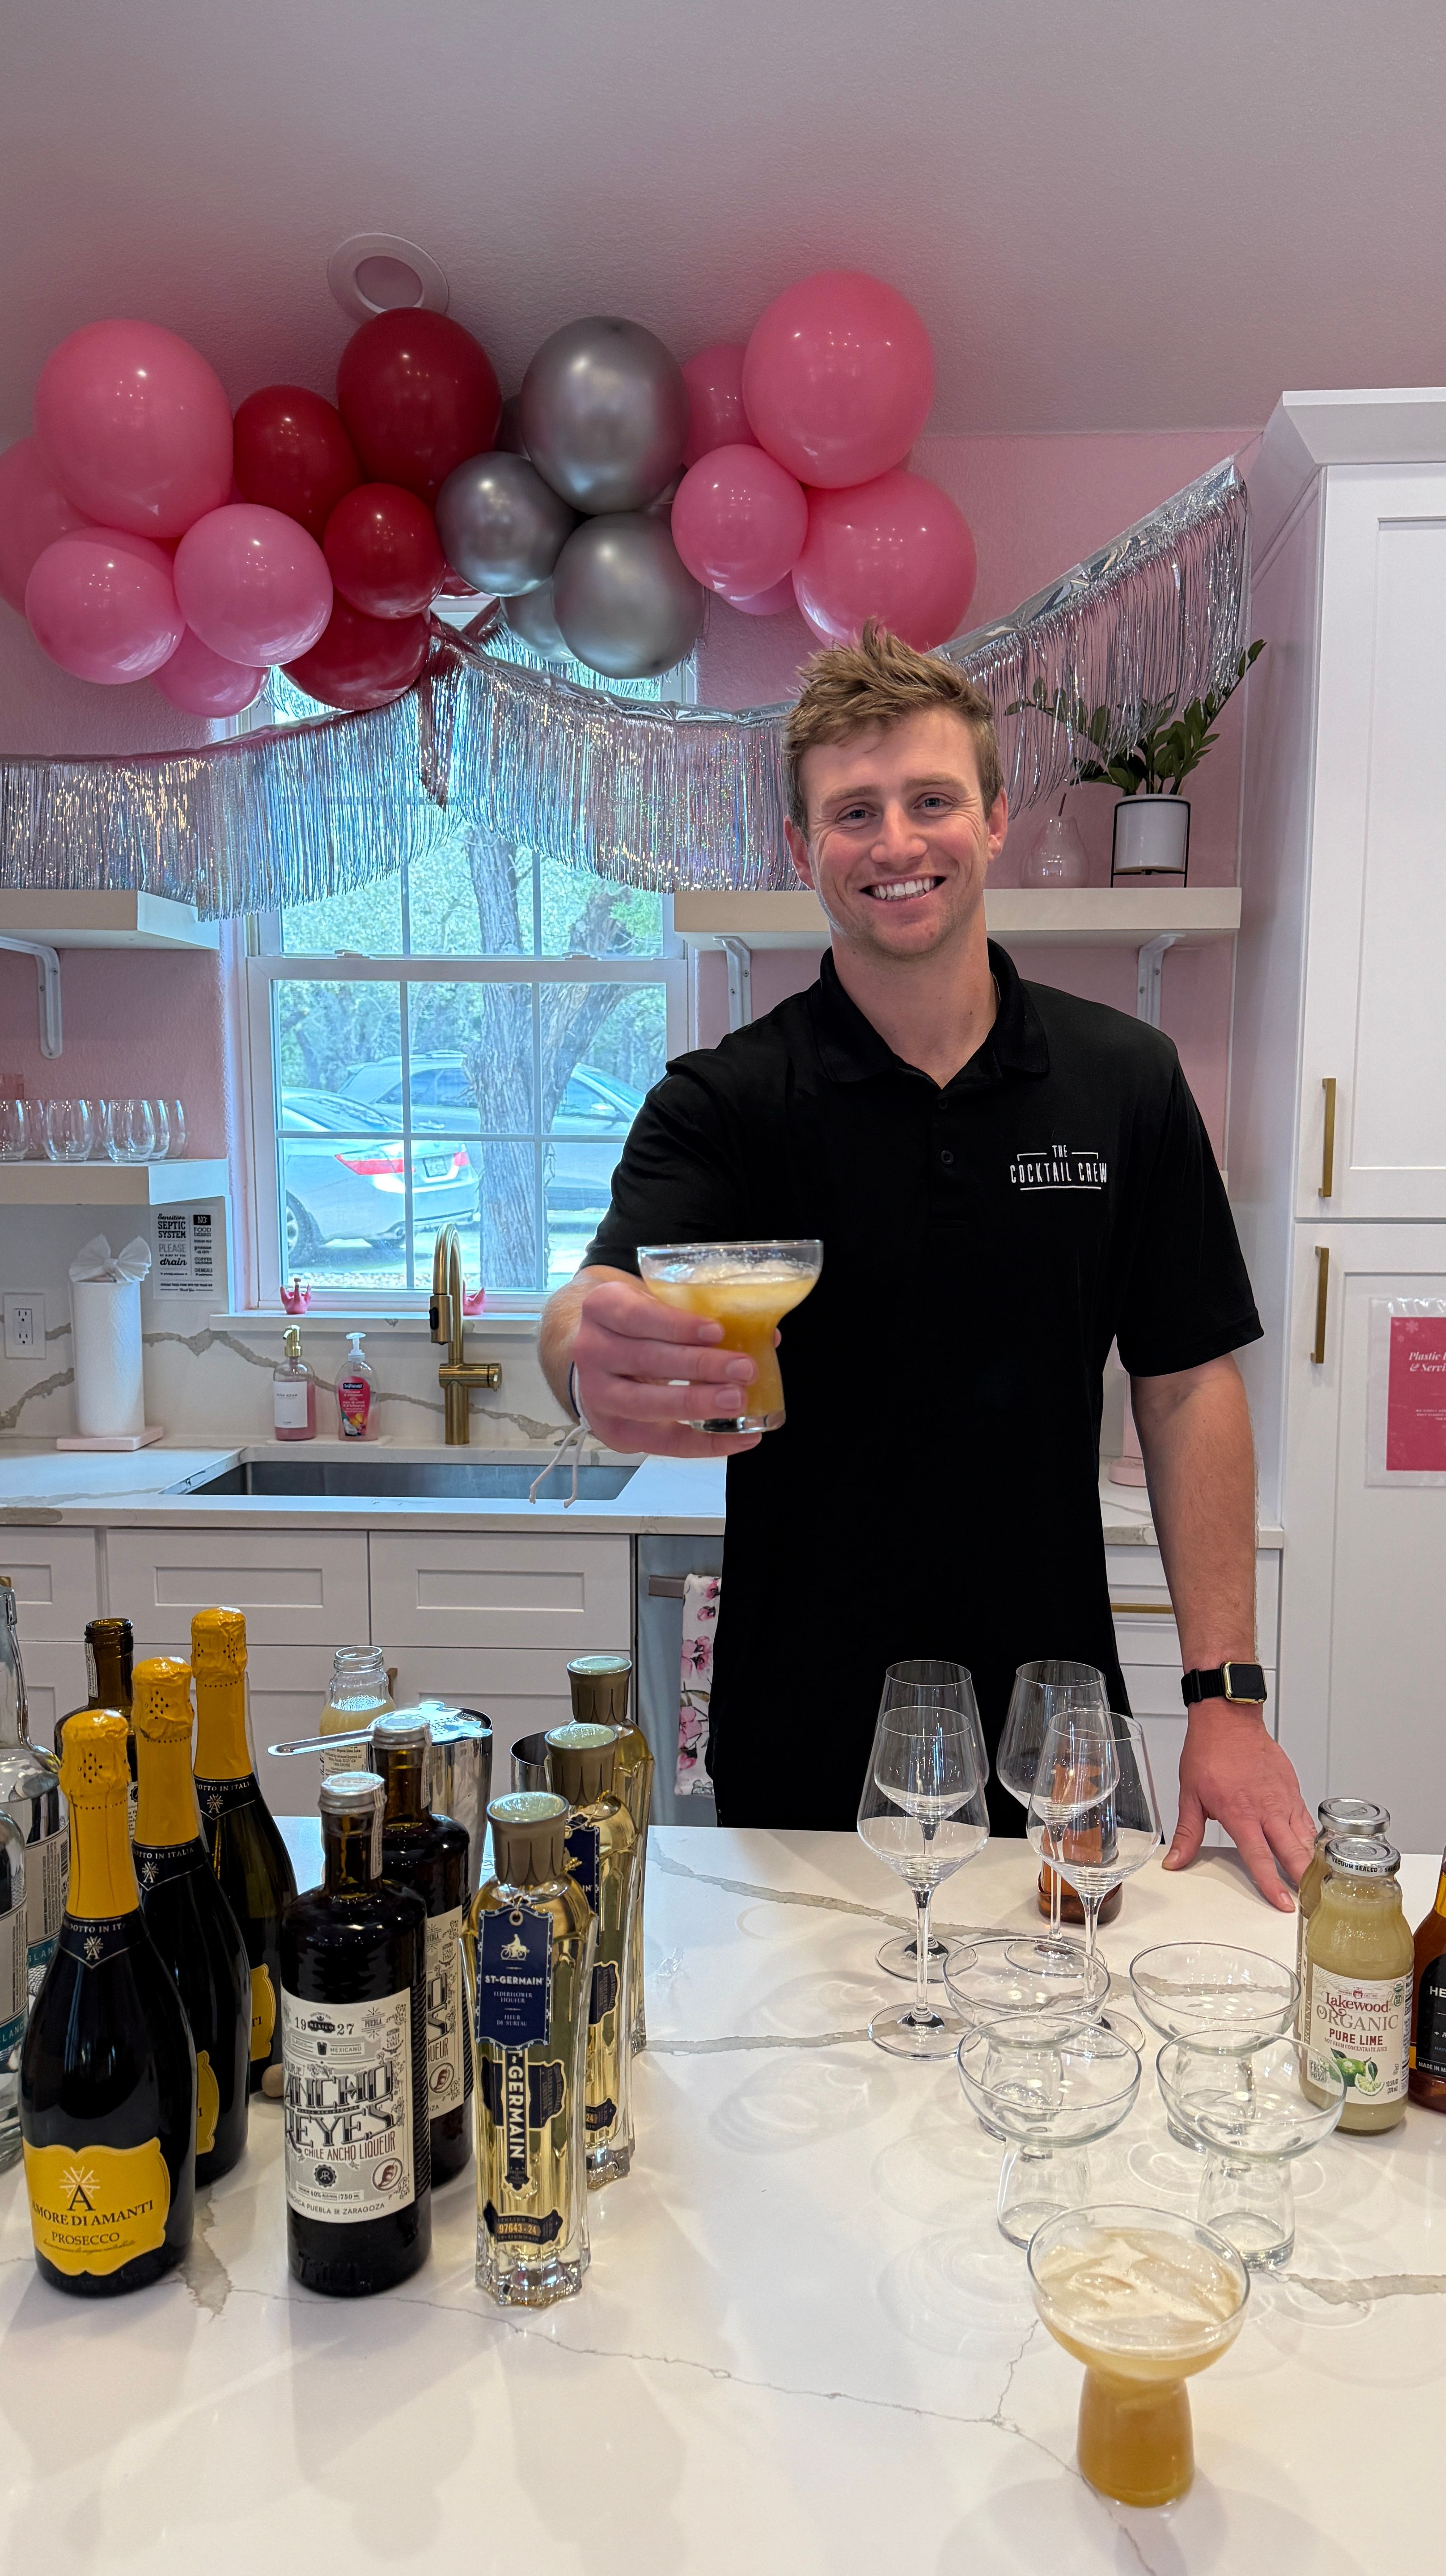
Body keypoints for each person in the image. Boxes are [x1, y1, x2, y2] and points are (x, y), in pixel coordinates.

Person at [540, 626, 1315, 1909]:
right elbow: (592, 1303)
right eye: (853, 811)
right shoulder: (723, 1103)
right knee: (808, 2084)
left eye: (930, 800)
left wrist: (1223, 1700)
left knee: (1063, 2071)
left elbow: (1184, 1381)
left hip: (1053, 1727)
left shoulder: (1123, 1080)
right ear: (803, 849)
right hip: (801, 1735)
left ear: (995, 819)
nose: (895, 842)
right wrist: (583, 1355)